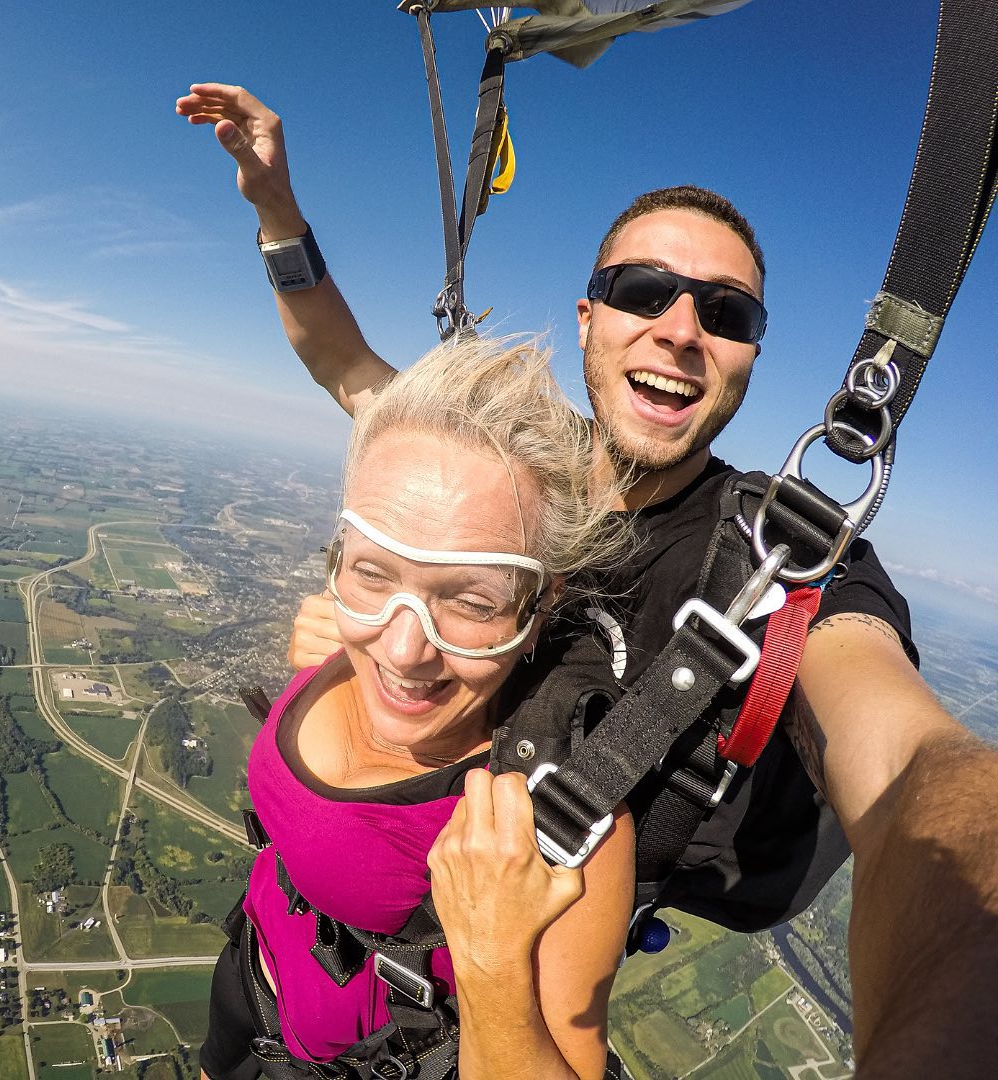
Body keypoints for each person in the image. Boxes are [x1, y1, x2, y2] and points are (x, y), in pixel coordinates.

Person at [178, 84, 998, 1075]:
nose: (681, 327)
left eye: (725, 313)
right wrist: (274, 208)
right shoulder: (513, 480)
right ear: (589, 317)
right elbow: (347, 367)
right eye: (644, 291)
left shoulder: (777, 562)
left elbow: (912, 766)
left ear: (747, 358)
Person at [198, 336, 637, 1080]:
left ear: (540, 608)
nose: (404, 650)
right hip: (249, 985)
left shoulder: (561, 824)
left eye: (470, 603)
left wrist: (494, 960)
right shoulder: (345, 647)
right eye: (373, 573)